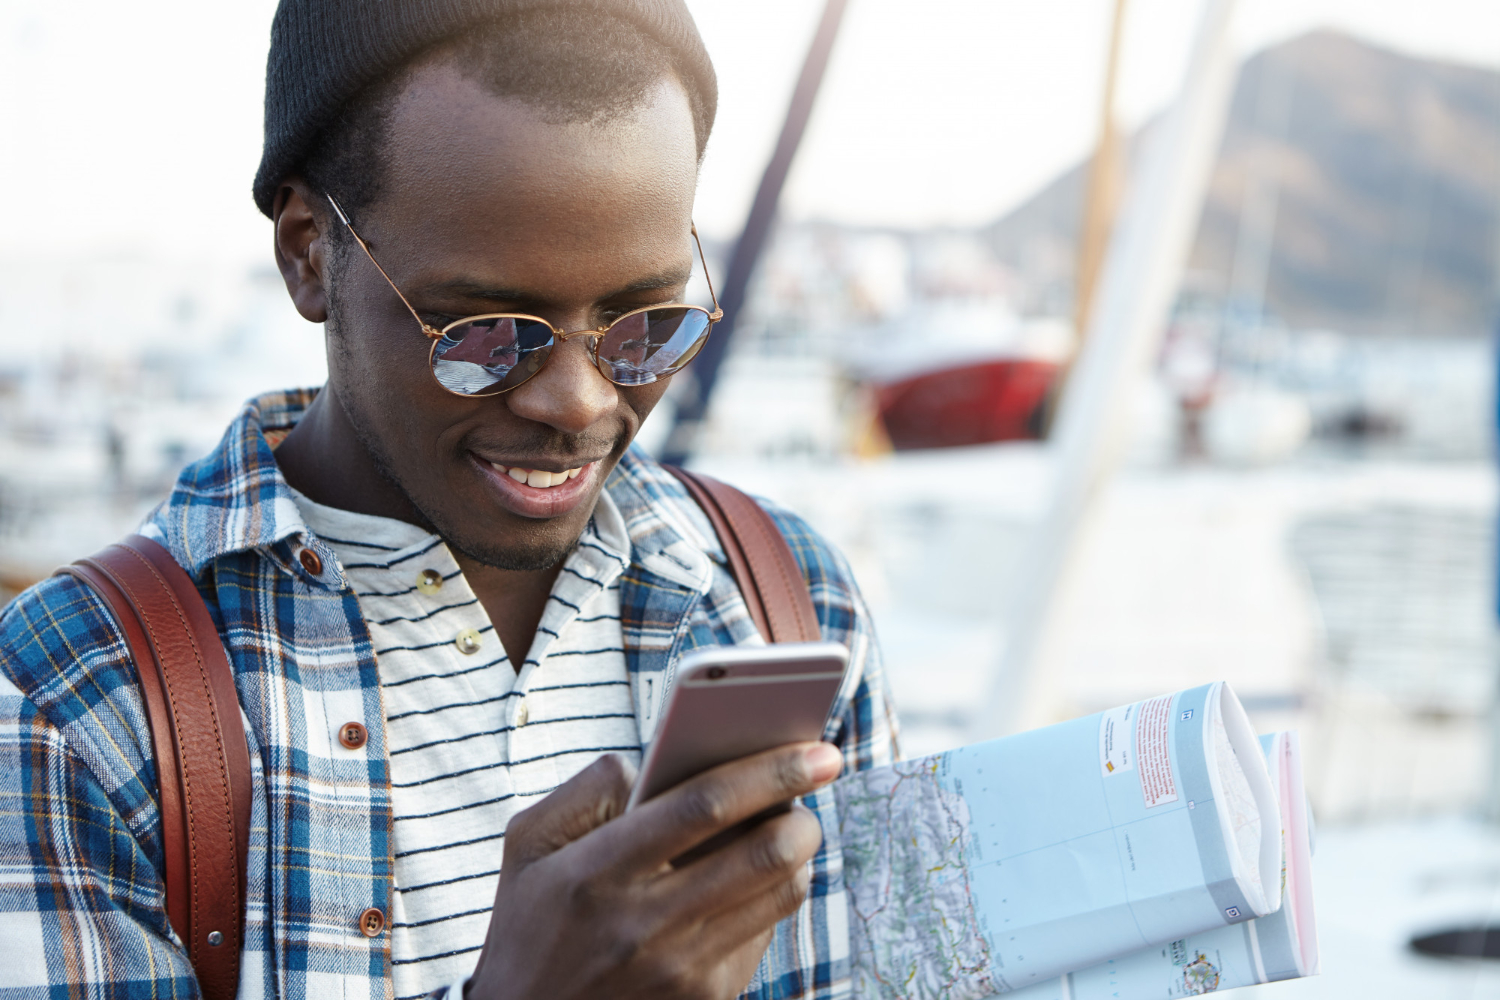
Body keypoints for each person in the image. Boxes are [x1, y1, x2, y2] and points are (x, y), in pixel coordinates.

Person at [0, 2, 898, 999]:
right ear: (308, 250)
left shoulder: (788, 600)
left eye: (642, 321)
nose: (580, 398)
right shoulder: (77, 703)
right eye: (484, 332)